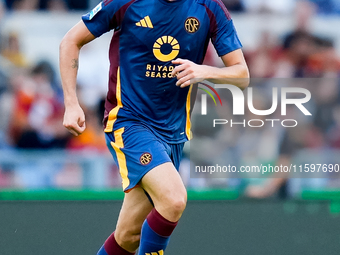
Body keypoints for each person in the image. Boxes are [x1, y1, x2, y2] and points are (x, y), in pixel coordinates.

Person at [59, 0, 249, 254]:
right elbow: (70, 41)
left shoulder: (209, 8)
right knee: (173, 199)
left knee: (128, 236)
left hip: (173, 133)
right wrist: (71, 103)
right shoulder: (126, 3)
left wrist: (203, 71)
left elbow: (242, 74)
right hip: (129, 122)